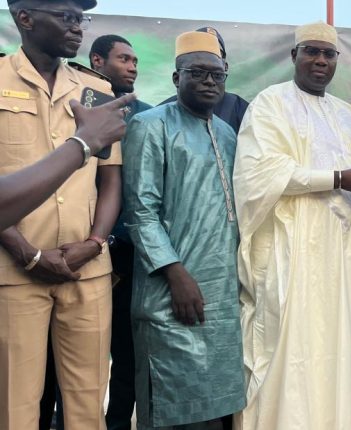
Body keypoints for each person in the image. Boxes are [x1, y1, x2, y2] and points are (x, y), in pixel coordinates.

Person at [233, 21, 351, 429]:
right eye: (311, 51)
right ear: (294, 55)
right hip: (293, 253)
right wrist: (338, 178)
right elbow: (261, 174)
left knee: (340, 349)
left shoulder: (350, 116)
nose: (320, 60)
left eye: (328, 54)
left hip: (343, 260)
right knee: (290, 349)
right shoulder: (270, 104)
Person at [0, 0, 122, 428]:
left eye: (80, 18)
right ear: (25, 18)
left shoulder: (96, 89)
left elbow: (110, 180)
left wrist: (95, 243)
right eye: (66, 17)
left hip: (86, 269)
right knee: (15, 404)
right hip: (14, 270)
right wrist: (28, 254)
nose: (77, 28)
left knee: (88, 402)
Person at [122, 31, 246, 429]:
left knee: (216, 411)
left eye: (217, 74)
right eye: (198, 73)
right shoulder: (149, 125)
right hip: (169, 293)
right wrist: (175, 274)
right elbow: (140, 211)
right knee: (171, 406)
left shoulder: (227, 134)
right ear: (177, 78)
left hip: (221, 299)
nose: (209, 81)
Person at [90, 33, 153, 430]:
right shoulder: (75, 107)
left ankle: (117, 423)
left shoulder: (147, 117)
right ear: (97, 61)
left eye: (135, 61)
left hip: (128, 253)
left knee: (127, 352)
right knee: (79, 349)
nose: (132, 67)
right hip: (78, 247)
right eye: (123, 59)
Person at [0, 95, 133, 232]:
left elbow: (111, 181)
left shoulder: (98, 88)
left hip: (84, 240)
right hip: (18, 238)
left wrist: (96, 240)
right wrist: (83, 143)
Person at [160, 26, 249, 133]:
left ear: (225, 66)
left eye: (216, 52)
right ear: (177, 78)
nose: (209, 57)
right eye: (197, 72)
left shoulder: (240, 109)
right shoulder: (158, 119)